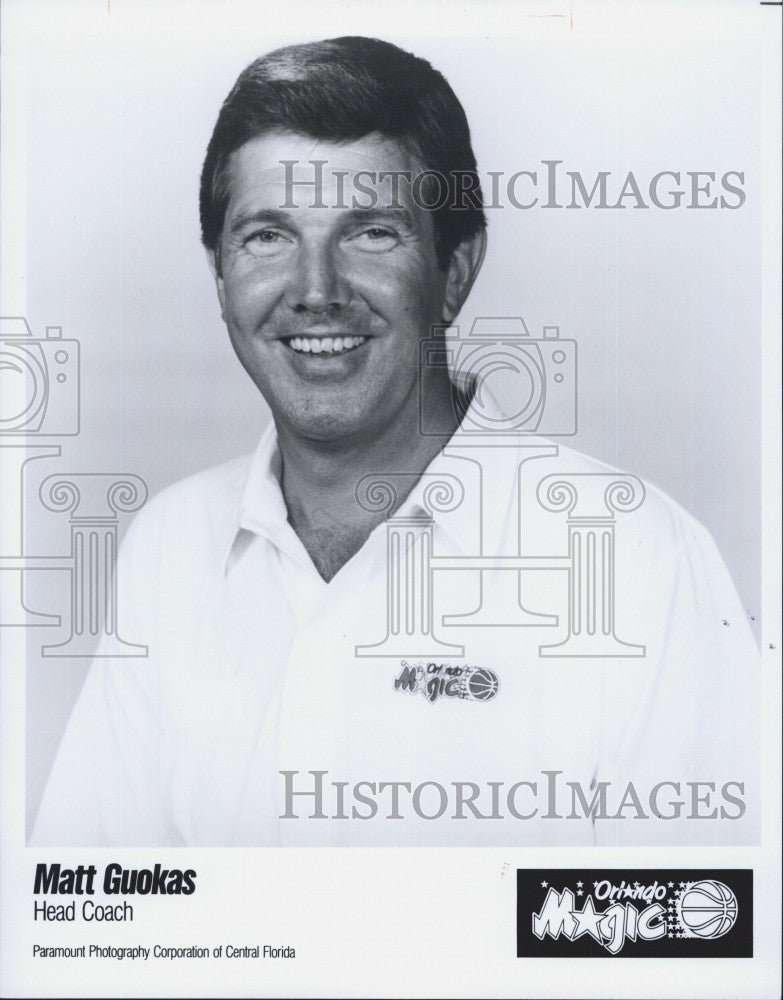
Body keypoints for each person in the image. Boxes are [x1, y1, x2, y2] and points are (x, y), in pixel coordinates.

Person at [31, 36, 758, 847]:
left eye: (370, 232)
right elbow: (98, 923)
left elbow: (694, 941)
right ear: (219, 274)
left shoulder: (635, 561)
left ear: (454, 270)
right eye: (267, 236)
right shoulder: (168, 549)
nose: (314, 292)